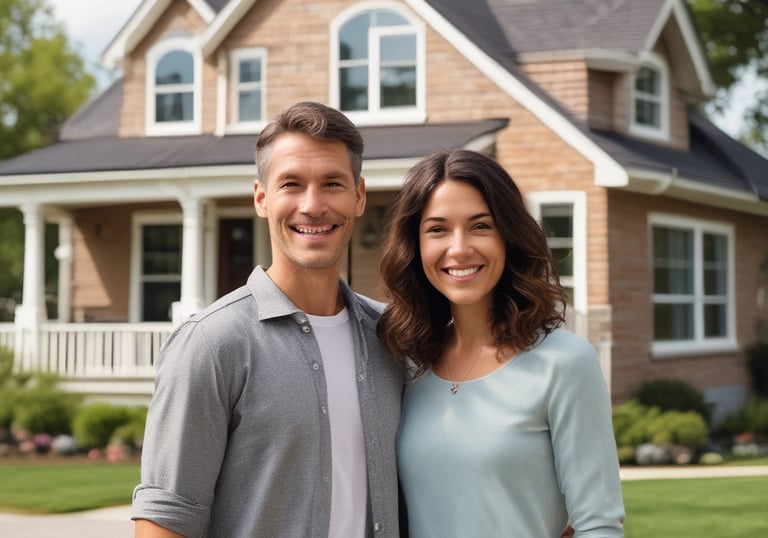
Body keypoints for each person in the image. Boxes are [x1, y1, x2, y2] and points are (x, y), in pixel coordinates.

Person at [132, 102, 405, 537]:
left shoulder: (392, 337)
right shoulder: (211, 343)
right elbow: (165, 521)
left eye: (332, 183)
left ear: (358, 197)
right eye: (291, 184)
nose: (312, 206)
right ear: (262, 198)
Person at [376, 149, 626, 537]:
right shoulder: (406, 361)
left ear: (509, 237)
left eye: (480, 226)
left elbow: (600, 526)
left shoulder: (564, 363)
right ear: (415, 246)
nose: (459, 248)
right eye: (437, 229)